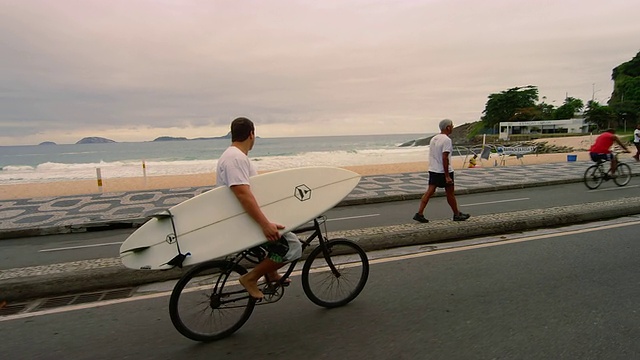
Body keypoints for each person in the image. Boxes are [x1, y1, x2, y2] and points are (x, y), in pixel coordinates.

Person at [216, 117, 302, 300]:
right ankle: (250, 278)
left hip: (246, 217)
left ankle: (271, 274)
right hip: (245, 221)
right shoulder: (235, 158)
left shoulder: (235, 156)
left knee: (278, 241)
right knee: (292, 246)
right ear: (251, 135)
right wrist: (264, 224)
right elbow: (243, 195)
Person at [413, 119, 470, 223]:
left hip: (433, 169)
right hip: (443, 171)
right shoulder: (447, 140)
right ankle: (456, 214)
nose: (453, 127)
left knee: (429, 191)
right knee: (450, 193)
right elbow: (445, 157)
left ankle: (419, 213)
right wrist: (447, 175)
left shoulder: (434, 138)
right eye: (452, 125)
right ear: (448, 127)